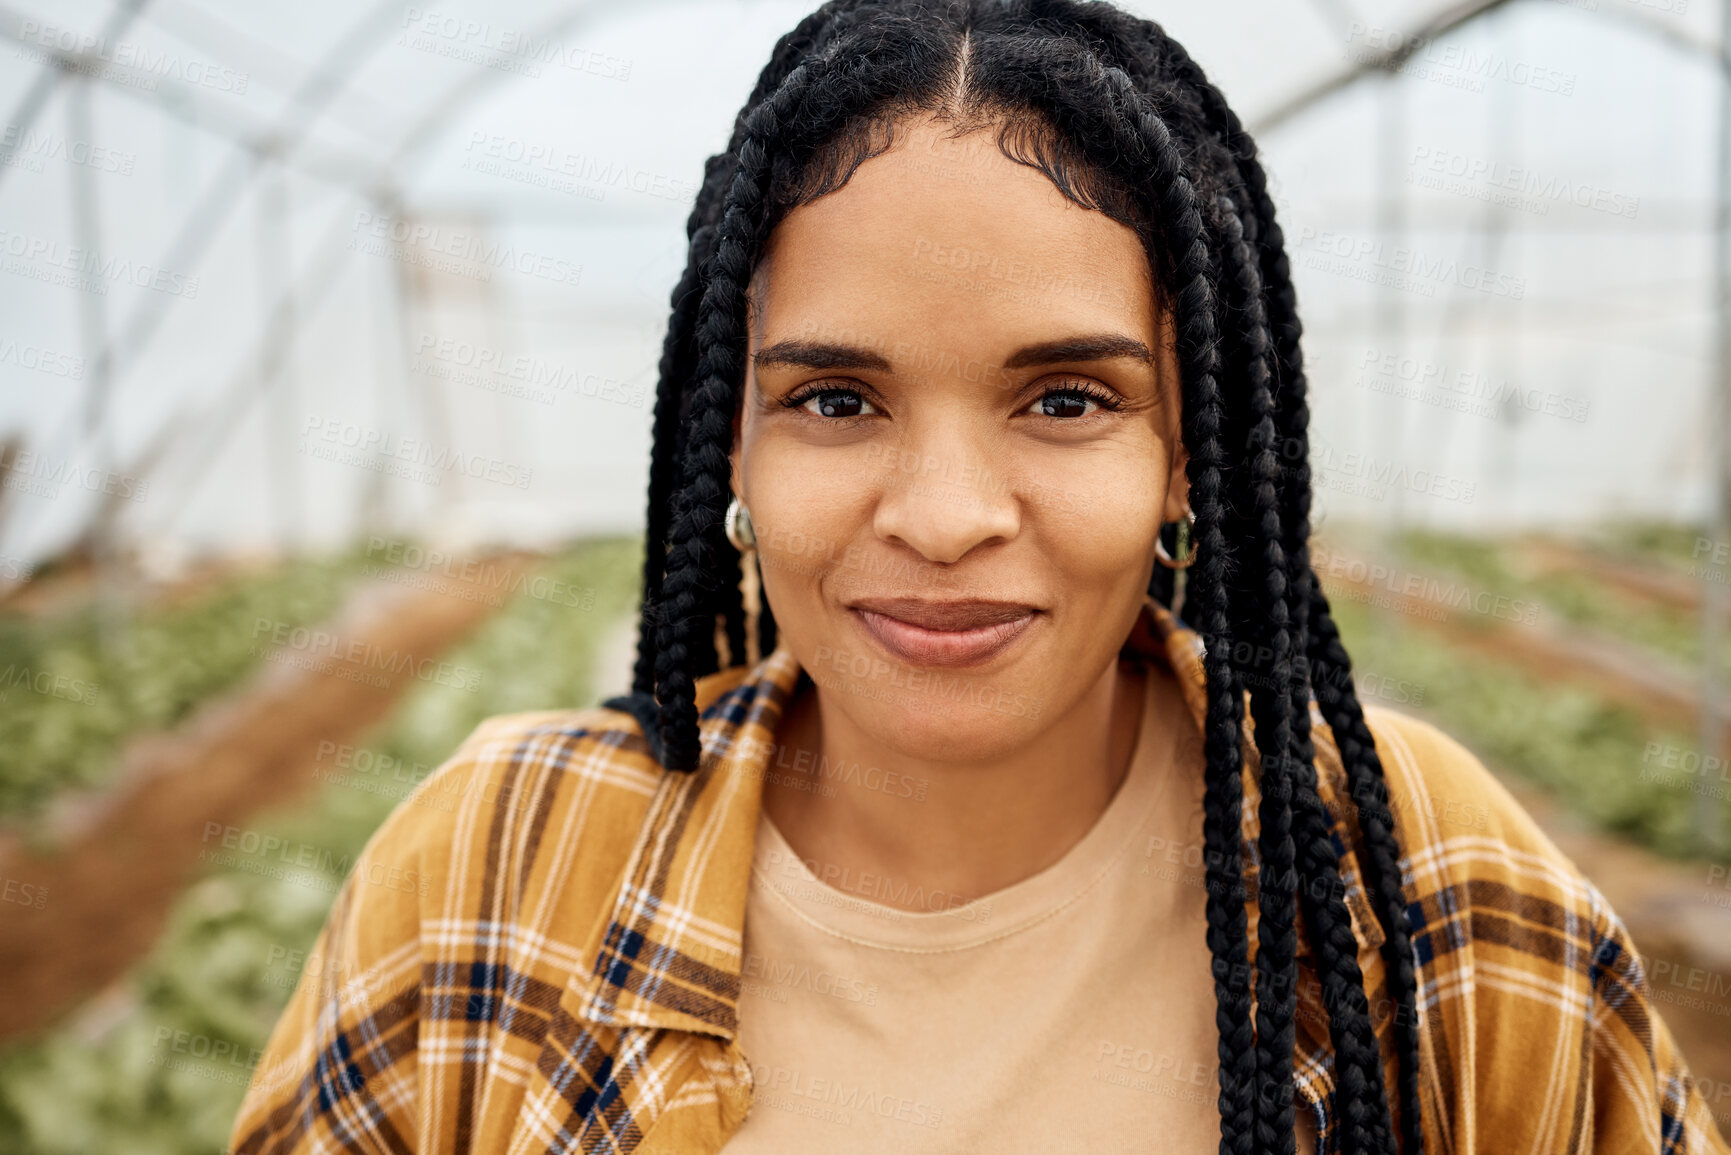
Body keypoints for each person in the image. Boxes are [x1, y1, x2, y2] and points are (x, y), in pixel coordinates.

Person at [226, 1, 1729, 1152]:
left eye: (1067, 399)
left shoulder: (1429, 886)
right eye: (835, 400)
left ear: (1189, 457)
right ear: (725, 447)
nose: (945, 517)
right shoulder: (488, 874)